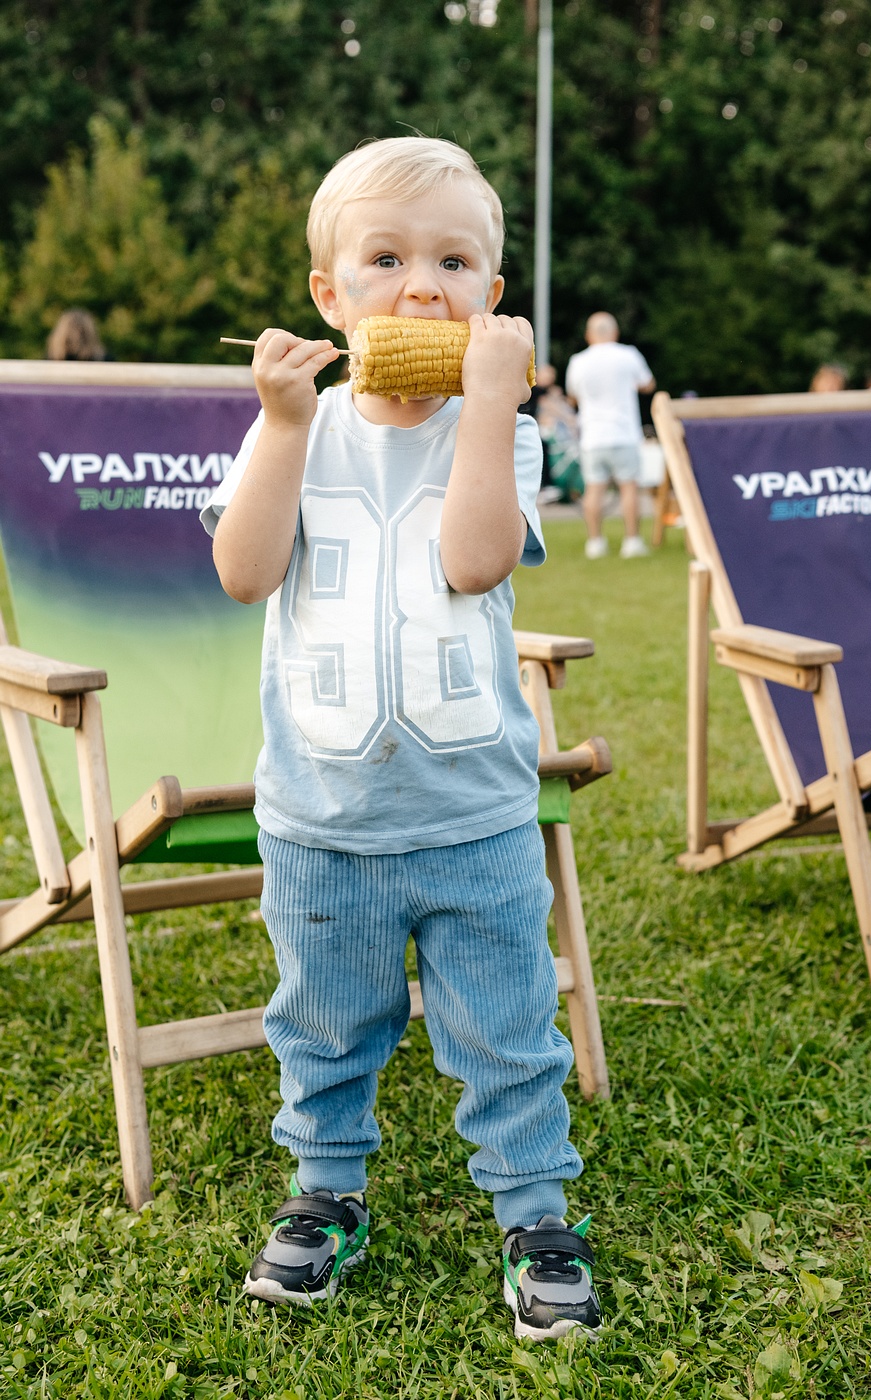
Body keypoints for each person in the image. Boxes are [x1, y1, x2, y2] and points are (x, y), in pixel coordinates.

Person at [200, 136, 602, 1341]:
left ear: (491, 296)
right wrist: (277, 427)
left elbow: (475, 558)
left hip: (473, 814)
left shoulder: (505, 434)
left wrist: (492, 403)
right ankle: (324, 1188)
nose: (422, 287)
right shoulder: (296, 432)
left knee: (506, 1024)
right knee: (323, 1021)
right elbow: (242, 569)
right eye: (386, 259)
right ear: (328, 296)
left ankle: (535, 1210)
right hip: (323, 822)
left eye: (456, 263)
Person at [565, 311, 655, 559]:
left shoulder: (577, 361)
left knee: (594, 490)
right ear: (615, 332)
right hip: (624, 433)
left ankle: (595, 543)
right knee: (629, 488)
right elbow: (648, 384)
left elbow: (573, 396)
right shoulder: (628, 355)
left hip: (593, 436)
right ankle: (632, 542)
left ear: (588, 335)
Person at [534, 364, 583, 503]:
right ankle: (546, 486)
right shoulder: (536, 390)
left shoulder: (550, 391)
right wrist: (568, 418)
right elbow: (548, 406)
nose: (550, 379)